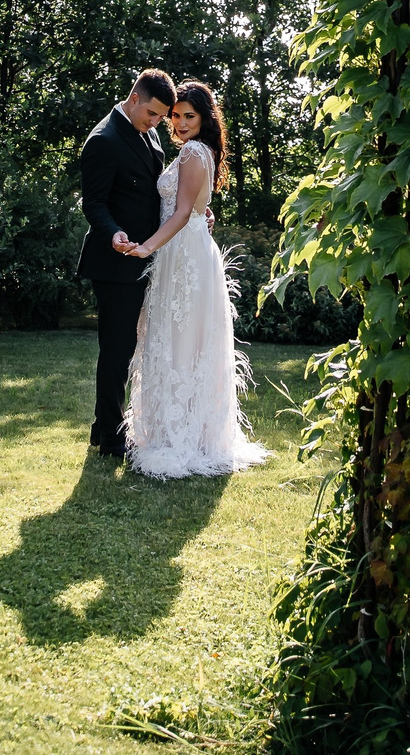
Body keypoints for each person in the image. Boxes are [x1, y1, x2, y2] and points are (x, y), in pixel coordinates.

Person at [114, 79, 269, 478]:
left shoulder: (194, 152)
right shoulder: (195, 152)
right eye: (176, 116)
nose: (180, 123)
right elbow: (193, 209)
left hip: (183, 254)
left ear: (204, 119)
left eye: (189, 116)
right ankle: (185, 429)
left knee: (181, 337)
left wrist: (146, 248)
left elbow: (182, 212)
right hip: (186, 251)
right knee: (180, 338)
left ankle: (182, 437)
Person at [76, 69, 173, 457]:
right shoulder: (103, 140)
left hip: (146, 255)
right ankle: (112, 439)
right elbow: (93, 202)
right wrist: (114, 232)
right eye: (152, 114)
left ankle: (104, 428)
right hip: (116, 260)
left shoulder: (144, 129)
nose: (156, 124)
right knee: (117, 349)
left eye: (160, 118)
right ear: (135, 98)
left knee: (129, 347)